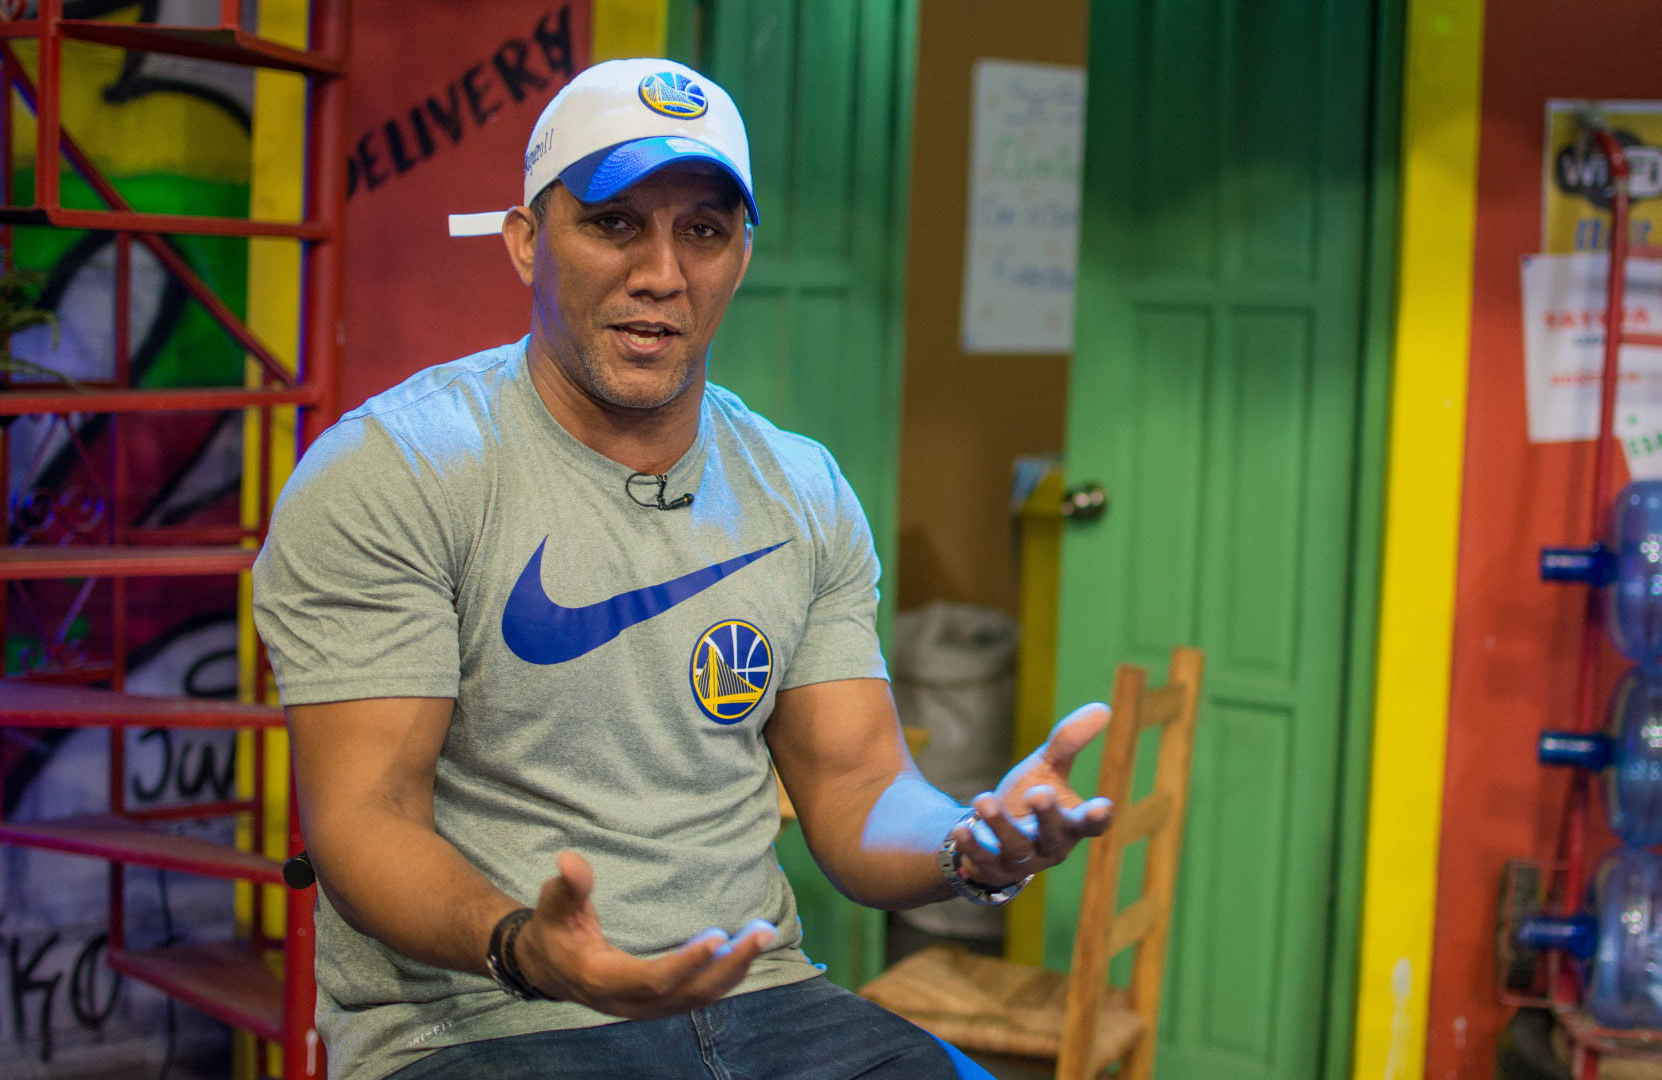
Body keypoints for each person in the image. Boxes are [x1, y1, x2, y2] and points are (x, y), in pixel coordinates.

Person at [254, 58, 1114, 1080]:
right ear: (527, 240)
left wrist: (967, 842)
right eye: (614, 222)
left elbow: (856, 787)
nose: (662, 272)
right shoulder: (394, 471)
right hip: (484, 1021)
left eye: (702, 230)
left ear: (741, 256)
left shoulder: (800, 488)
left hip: (762, 1001)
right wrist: (527, 947)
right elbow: (366, 818)